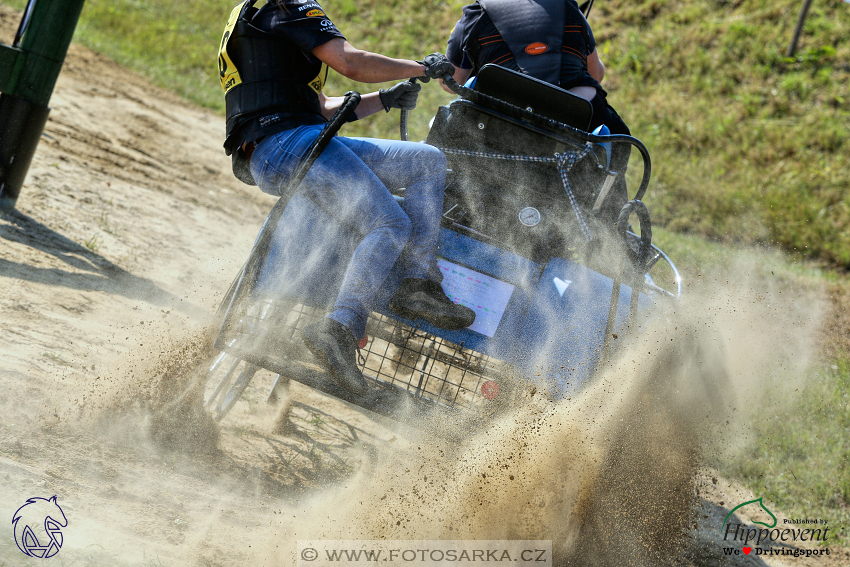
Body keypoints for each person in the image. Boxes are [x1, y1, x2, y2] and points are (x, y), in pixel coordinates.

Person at [218, 0, 475, 395]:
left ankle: (418, 285)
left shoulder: (256, 17)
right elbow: (350, 63)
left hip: (287, 141)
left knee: (427, 162)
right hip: (289, 143)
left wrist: (386, 99)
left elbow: (322, 109)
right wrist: (423, 68)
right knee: (390, 223)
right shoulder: (286, 3)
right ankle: (339, 328)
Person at [442, 0, 631, 219]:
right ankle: (614, 224)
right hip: (572, 117)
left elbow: (452, 80)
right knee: (620, 140)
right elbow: (596, 74)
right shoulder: (568, 8)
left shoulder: (477, 12)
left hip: (502, 121)